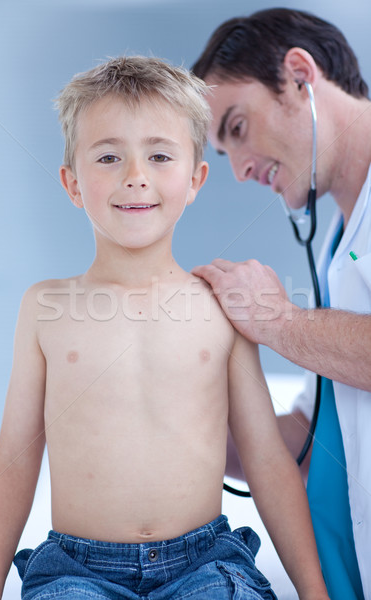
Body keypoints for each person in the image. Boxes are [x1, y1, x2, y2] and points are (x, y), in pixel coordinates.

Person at [0, 55, 329, 600]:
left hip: (205, 563)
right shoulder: (45, 307)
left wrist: (315, 593)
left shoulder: (221, 309)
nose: (135, 176)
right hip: (77, 570)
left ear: (195, 180)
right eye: (109, 157)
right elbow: (12, 458)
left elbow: (267, 460)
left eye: (159, 155)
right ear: (73, 184)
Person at [192, 7, 371, 600]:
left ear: (299, 75)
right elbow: (311, 433)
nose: (240, 171)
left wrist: (276, 320)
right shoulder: (334, 244)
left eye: (237, 128)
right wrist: (180, 428)